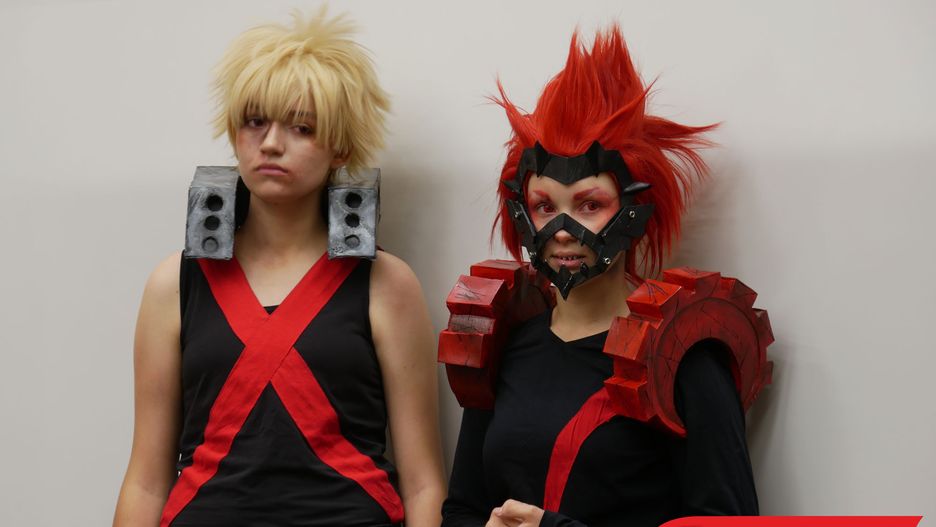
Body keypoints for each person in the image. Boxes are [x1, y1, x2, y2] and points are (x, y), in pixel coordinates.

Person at [114, 9, 445, 527]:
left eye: (301, 127)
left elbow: (424, 484)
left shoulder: (386, 283)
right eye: (254, 122)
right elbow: (146, 481)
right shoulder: (173, 284)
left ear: (340, 147)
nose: (271, 143)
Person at [441, 26, 760, 527]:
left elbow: (726, 521)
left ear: (633, 210)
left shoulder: (681, 358)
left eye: (589, 205)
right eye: (545, 206)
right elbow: (462, 508)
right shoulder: (505, 344)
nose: (563, 231)